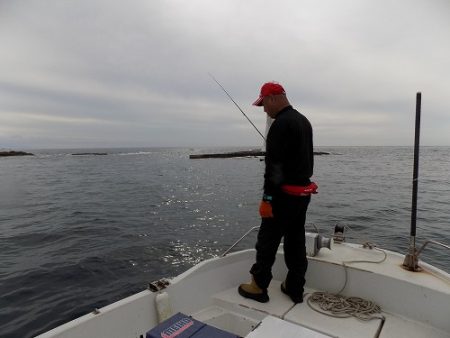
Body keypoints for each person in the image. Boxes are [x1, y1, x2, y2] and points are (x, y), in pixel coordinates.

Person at [238, 82, 317, 304]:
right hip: (302, 195)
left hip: (282, 197)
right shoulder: (303, 121)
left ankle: (258, 286)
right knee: (295, 240)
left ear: (273, 98)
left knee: (267, 241)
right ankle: (294, 287)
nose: (264, 109)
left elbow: (274, 169)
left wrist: (267, 200)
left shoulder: (280, 125)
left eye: (263, 104)